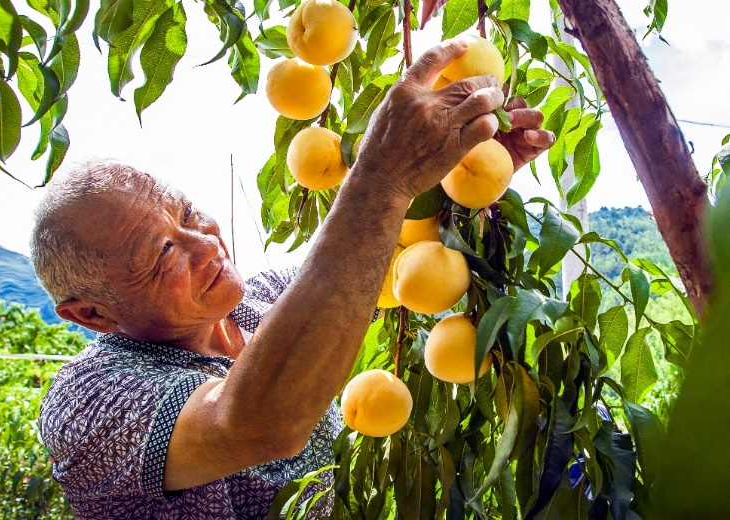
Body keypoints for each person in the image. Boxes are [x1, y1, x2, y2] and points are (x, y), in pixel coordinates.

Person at [30, 37, 555, 519]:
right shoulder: (86, 404)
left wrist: (453, 174)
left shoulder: (258, 305)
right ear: (91, 314)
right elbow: (259, 421)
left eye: (189, 214)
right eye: (165, 251)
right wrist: (382, 175)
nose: (206, 243)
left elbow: (377, 260)